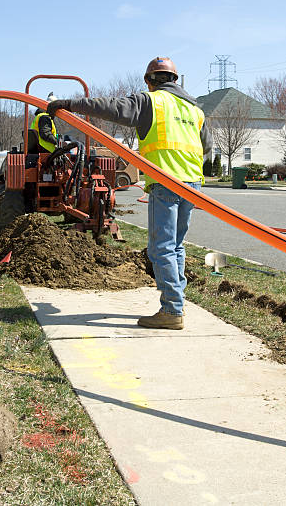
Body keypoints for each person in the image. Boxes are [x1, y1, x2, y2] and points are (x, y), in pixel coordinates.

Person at [47, 57, 212, 330]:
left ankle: (172, 310)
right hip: (192, 184)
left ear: (149, 81)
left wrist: (70, 104)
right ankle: (177, 304)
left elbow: (111, 108)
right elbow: (206, 147)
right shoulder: (195, 109)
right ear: (176, 79)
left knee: (161, 248)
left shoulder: (152, 102)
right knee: (176, 246)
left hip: (166, 182)